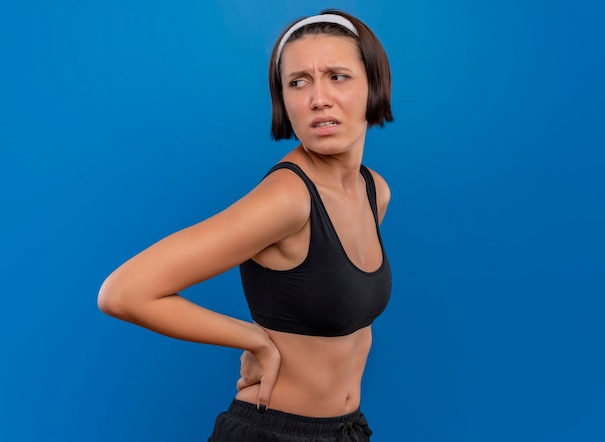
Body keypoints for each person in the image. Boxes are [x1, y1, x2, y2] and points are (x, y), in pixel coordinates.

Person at [98, 8, 393, 442]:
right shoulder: (288, 198)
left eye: (338, 76)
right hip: (274, 433)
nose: (318, 99)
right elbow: (123, 292)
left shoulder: (374, 192)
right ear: (284, 102)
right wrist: (254, 339)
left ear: (373, 86)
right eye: (298, 82)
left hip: (346, 430)